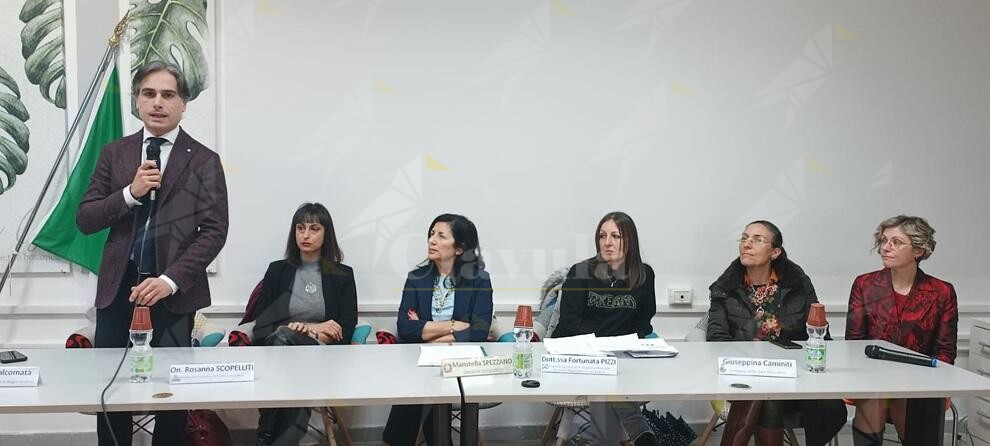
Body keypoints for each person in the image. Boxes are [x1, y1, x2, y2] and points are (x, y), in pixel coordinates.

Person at [77, 61, 228, 446]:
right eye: (149, 93)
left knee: (170, 397)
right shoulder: (115, 154)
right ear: (137, 100)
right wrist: (131, 193)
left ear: (183, 103)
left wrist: (169, 280)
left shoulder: (204, 160)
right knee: (111, 393)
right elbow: (86, 219)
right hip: (118, 291)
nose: (158, 102)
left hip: (173, 296)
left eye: (168, 94)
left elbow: (214, 231)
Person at [707, 220, 845, 446]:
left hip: (795, 374)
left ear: (775, 252)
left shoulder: (797, 283)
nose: (747, 244)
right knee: (769, 400)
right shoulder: (725, 287)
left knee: (830, 405)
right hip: (745, 373)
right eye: (744, 238)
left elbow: (817, 330)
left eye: (757, 240)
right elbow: (716, 340)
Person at [251, 203, 358, 445]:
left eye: (314, 229)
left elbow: (346, 327)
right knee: (284, 342)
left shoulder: (342, 273)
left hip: (323, 356)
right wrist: (313, 327)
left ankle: (266, 435)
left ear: (326, 234)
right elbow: (262, 325)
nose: (305, 235)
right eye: (300, 228)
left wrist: (310, 332)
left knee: (285, 341)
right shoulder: (277, 271)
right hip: (280, 350)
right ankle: (284, 439)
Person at [845, 215, 957, 446]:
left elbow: (945, 349)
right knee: (875, 395)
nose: (885, 248)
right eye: (883, 240)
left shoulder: (941, 291)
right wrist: (853, 381)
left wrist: (943, 387)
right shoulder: (865, 284)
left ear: (918, 250)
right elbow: (854, 342)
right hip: (873, 377)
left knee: (908, 397)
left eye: (896, 242)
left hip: (921, 381)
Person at [383, 214, 493, 446]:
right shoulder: (416, 279)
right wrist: (453, 326)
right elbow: (405, 327)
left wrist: (427, 333)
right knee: (425, 383)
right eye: (431, 234)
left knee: (426, 386)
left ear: (459, 248)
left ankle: (404, 440)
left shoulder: (479, 280)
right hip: (422, 361)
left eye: (441, 236)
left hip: (462, 360)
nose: (432, 240)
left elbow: (479, 331)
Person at [552, 212, 660, 446]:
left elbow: (644, 322)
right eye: (602, 236)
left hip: (619, 356)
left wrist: (619, 345)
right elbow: (570, 323)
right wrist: (605, 344)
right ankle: (640, 432)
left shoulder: (644, 275)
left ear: (629, 240)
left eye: (615, 236)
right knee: (606, 376)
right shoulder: (581, 272)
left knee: (610, 375)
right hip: (578, 352)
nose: (607, 242)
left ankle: (601, 440)